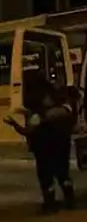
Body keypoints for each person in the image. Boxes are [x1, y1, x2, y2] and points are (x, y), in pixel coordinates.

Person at [4, 85, 77, 213]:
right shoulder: (64, 111)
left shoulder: (39, 116)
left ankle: (50, 205)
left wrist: (15, 124)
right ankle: (70, 201)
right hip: (62, 149)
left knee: (46, 178)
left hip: (44, 151)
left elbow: (28, 131)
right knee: (63, 176)